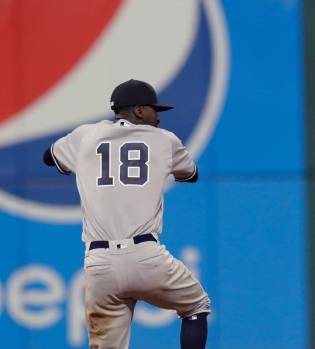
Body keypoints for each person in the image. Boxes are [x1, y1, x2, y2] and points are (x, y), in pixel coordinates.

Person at [43, 79, 211, 349]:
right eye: (155, 110)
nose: (158, 118)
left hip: (99, 266)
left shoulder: (85, 135)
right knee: (195, 306)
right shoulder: (165, 140)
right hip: (147, 257)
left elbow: (48, 157)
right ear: (139, 111)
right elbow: (190, 174)